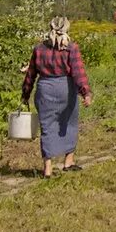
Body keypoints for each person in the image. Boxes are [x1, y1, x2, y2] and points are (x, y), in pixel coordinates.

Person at [21, 17, 93, 178]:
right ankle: (68, 161)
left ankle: (47, 168)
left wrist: (25, 94)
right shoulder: (71, 48)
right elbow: (78, 73)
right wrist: (86, 93)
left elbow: (31, 74)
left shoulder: (39, 49)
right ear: (67, 28)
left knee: (47, 127)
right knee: (69, 124)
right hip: (65, 89)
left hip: (45, 89)